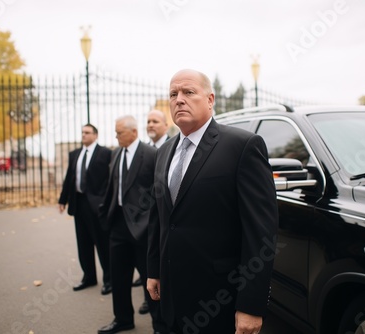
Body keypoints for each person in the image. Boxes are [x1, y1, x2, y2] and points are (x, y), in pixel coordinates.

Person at [147, 69, 278, 334]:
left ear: (210, 99)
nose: (179, 99)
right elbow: (159, 217)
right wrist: (153, 269)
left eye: (188, 92)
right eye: (173, 94)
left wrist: (251, 305)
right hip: (171, 295)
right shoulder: (163, 152)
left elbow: (260, 233)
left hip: (218, 299)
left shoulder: (242, 146)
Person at [98, 116, 168, 334]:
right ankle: (123, 319)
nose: (116, 136)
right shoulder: (116, 153)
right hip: (118, 226)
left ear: (134, 132)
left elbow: (159, 191)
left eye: (119, 132)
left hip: (143, 229)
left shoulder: (151, 155)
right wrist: (105, 215)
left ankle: (159, 325)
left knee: (151, 280)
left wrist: (150, 222)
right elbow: (113, 187)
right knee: (119, 278)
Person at [58, 124, 112, 295]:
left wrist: (105, 201)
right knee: (83, 243)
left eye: (87, 133)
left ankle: (109, 280)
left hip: (97, 206)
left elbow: (110, 180)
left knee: (102, 244)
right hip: (79, 204)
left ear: (95, 135)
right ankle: (88, 277)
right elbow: (69, 178)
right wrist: (63, 199)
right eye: (82, 132)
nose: (84, 135)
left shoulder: (105, 153)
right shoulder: (75, 154)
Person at [133, 108, 171, 316]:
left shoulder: (175, 148)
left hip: (167, 219)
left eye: (155, 121)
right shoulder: (145, 151)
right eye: (148, 121)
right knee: (147, 263)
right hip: (145, 219)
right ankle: (150, 299)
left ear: (166, 125)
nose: (150, 125)